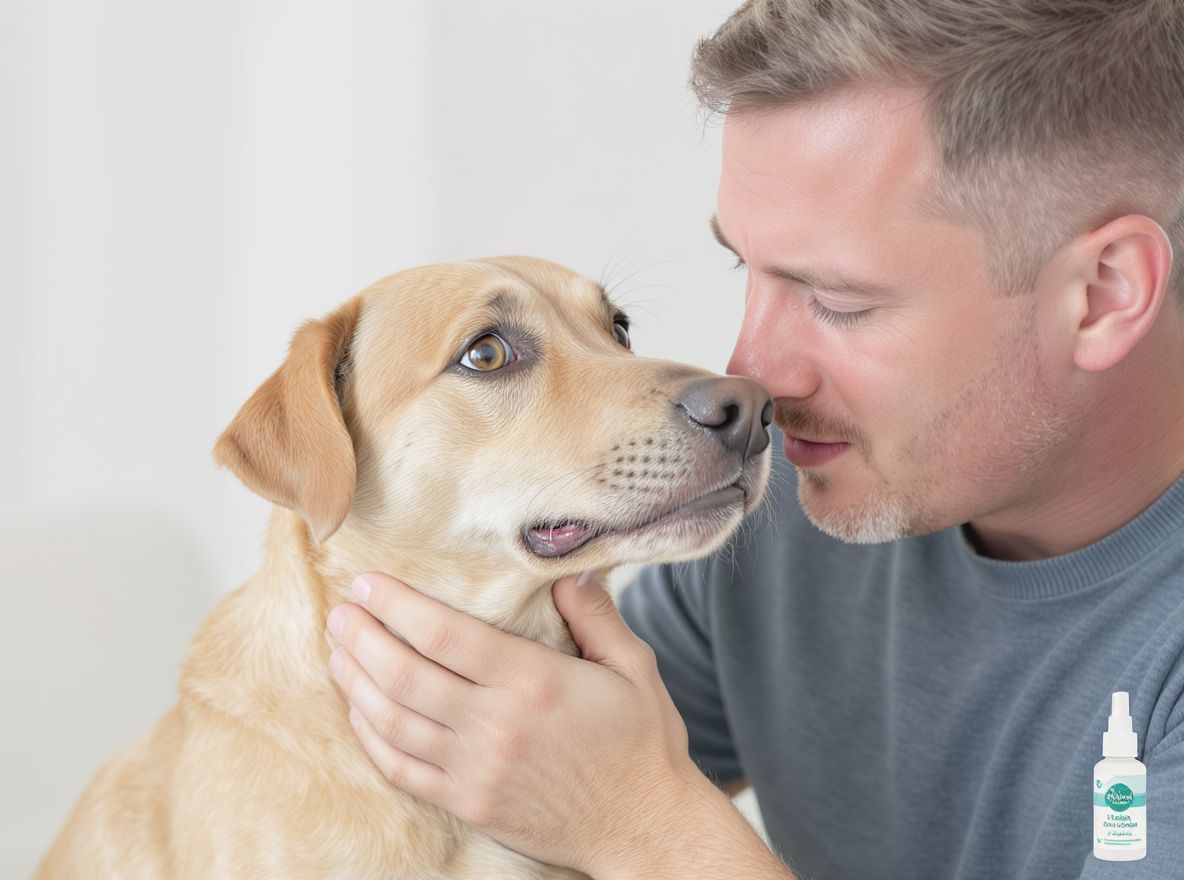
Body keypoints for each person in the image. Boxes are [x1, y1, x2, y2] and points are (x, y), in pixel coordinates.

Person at [324, 1, 1184, 877]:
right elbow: (510, 773)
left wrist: (644, 826)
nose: (750, 371)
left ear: (1105, 293)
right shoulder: (794, 523)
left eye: (838, 300)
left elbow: (612, 799)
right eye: (747, 267)